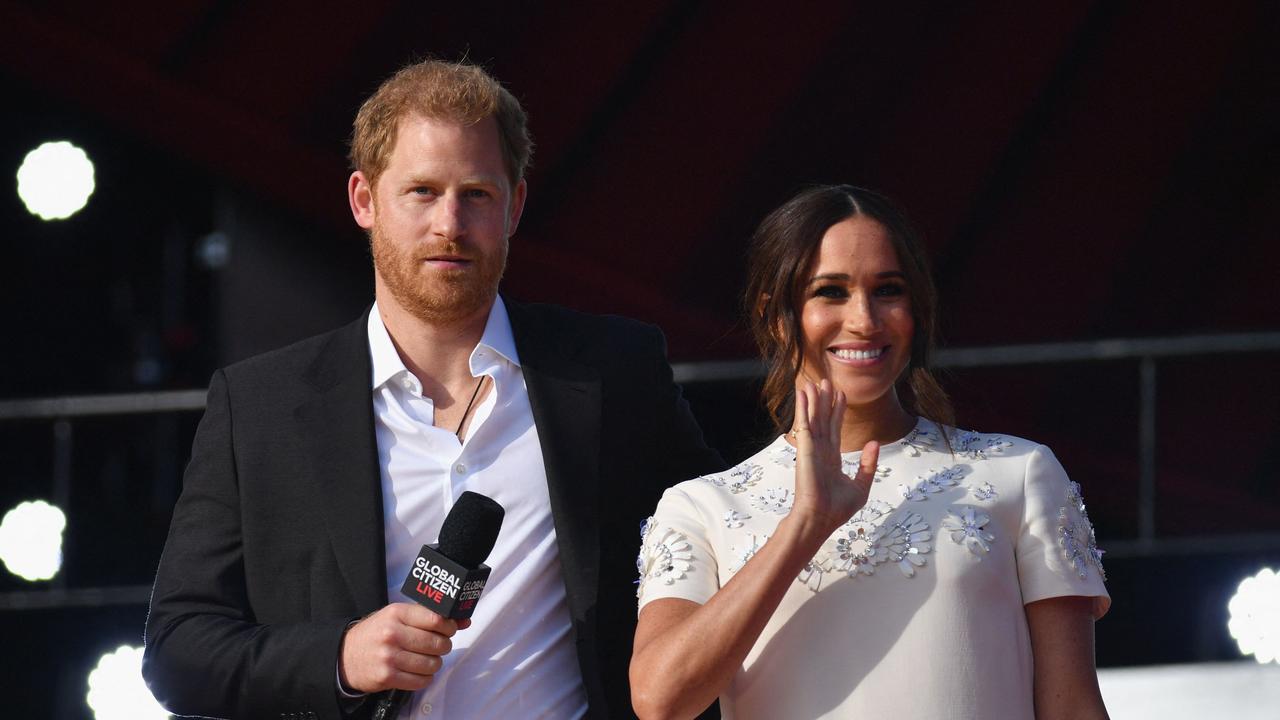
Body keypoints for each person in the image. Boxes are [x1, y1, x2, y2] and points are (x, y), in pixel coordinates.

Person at [142, 59, 723, 720]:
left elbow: (722, 548)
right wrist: (339, 659)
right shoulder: (260, 408)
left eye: (476, 193)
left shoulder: (613, 370)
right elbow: (176, 651)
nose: (450, 223)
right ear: (364, 199)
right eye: (421, 191)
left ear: (515, 206)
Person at [630, 185, 1110, 719]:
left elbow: (1074, 708)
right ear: (776, 315)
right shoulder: (702, 507)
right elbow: (660, 701)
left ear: (918, 307)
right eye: (830, 292)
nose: (864, 319)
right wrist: (806, 523)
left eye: (887, 290)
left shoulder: (1018, 474)